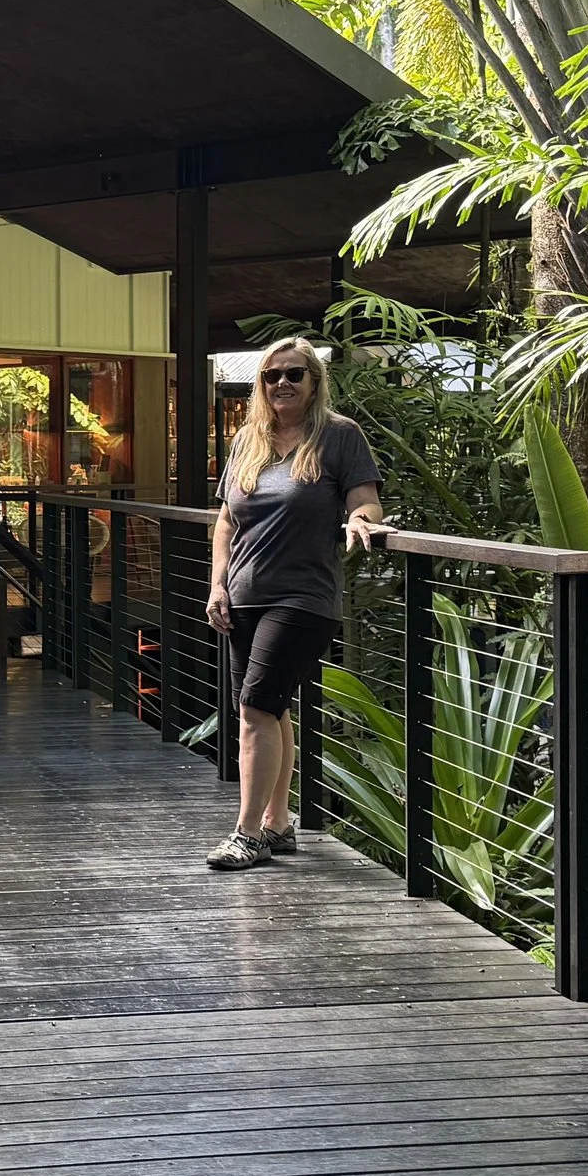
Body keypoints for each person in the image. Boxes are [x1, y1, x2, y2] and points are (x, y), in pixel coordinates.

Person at [203, 337, 383, 870]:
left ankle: (246, 833)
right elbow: (226, 521)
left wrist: (359, 521)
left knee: (256, 707)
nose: (282, 383)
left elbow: (366, 499)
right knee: (268, 706)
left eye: (294, 374)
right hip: (244, 593)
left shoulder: (339, 436)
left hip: (304, 596)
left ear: (314, 382)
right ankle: (278, 824)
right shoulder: (248, 440)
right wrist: (217, 585)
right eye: (271, 375)